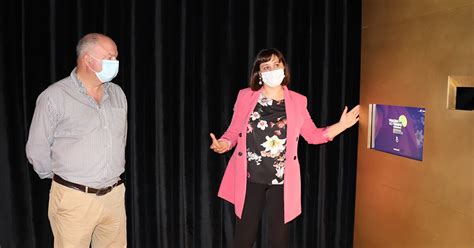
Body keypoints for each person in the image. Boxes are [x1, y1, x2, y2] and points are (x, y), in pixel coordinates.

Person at [210, 48, 359, 247]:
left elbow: (313, 136)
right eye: (266, 66)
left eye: (276, 64)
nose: (272, 70)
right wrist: (224, 143)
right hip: (250, 178)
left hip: (282, 181)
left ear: (283, 68)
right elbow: (234, 130)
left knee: (280, 241)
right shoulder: (245, 96)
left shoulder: (298, 101)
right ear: (259, 74)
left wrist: (341, 126)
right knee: (243, 240)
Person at [26, 33, 127, 247]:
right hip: (74, 198)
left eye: (116, 57)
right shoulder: (54, 96)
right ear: (88, 60)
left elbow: (121, 138)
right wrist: (63, 180)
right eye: (109, 58)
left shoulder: (118, 93)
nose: (115, 63)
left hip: (114, 196)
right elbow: (37, 147)